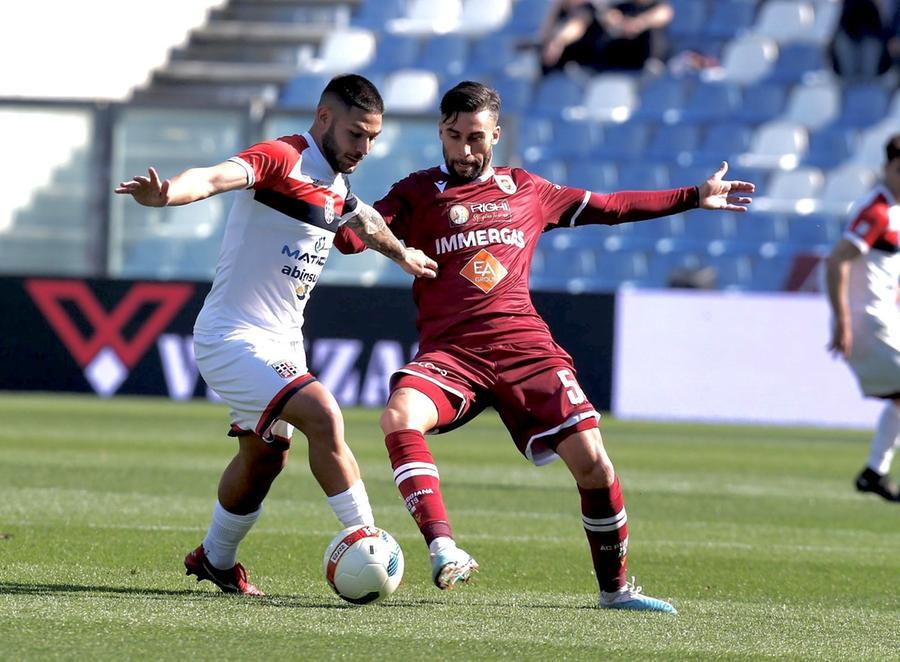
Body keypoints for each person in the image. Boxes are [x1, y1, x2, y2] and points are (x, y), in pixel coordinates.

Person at [334, 81, 754, 612]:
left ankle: (616, 590)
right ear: (441, 131)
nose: (466, 150)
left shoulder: (527, 190)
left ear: (497, 135)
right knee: (398, 418)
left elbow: (611, 207)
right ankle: (442, 547)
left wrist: (692, 196)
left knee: (596, 465)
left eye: (477, 137)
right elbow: (351, 239)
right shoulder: (416, 192)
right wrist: (341, 198)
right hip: (452, 353)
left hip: (525, 349)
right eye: (455, 136)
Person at [114, 74, 439, 595]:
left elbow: (367, 221)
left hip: (283, 341)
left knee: (265, 457)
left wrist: (401, 254)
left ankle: (216, 559)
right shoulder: (283, 156)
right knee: (323, 412)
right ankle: (365, 534)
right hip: (232, 336)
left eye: (373, 138)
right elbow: (218, 176)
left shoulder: (336, 185)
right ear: (325, 118)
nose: (365, 148)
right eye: (357, 135)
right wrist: (170, 193)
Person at [825, 134, 900, 503]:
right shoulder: (877, 211)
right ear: (887, 168)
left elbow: (883, 267)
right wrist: (842, 322)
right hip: (868, 323)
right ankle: (875, 470)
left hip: (885, 317)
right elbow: (837, 259)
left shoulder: (895, 209)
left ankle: (875, 471)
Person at [539, 0, 673, 76]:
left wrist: (639, 23)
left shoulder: (655, 7)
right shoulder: (620, 7)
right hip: (610, 64)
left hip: (645, 63)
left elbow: (664, 13)